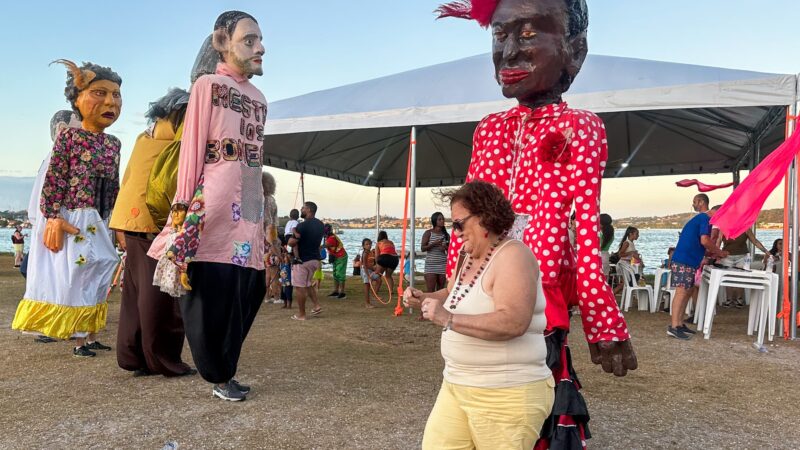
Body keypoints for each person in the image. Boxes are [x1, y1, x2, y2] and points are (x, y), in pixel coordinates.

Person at [437, 0, 636, 445]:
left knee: (527, 416)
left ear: (575, 52)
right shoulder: (488, 129)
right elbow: (465, 223)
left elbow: (586, 232)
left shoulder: (580, 127)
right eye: (499, 35)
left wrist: (604, 322)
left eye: (528, 35)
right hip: (481, 295)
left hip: (542, 304)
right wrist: (453, 289)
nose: (508, 52)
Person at [148, 10, 268, 402]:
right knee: (208, 294)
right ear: (222, 42)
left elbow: (256, 161)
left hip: (247, 211)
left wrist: (259, 214)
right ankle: (217, 374)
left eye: (259, 40)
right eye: (249, 40)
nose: (260, 48)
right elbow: (192, 150)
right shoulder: (208, 87)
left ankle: (226, 369)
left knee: (247, 291)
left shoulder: (259, 98)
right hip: (211, 206)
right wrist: (183, 212)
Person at [403, 181, 554, 449]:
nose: (455, 232)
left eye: (459, 224)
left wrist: (448, 319)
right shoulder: (467, 255)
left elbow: (513, 321)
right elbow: (453, 294)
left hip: (506, 393)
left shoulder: (514, 256)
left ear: (485, 217)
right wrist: (424, 298)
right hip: (457, 384)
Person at [12, 59, 122, 357]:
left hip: (100, 218)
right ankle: (78, 339)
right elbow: (55, 177)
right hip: (73, 215)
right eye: (99, 93)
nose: (110, 101)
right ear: (77, 98)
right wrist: (52, 217)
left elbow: (113, 184)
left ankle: (90, 331)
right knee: (77, 274)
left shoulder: (113, 143)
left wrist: (118, 221)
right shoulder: (69, 138)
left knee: (101, 269)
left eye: (115, 94)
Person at [667, 195, 727, 340]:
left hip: (688, 259)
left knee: (688, 290)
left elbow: (699, 243)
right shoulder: (704, 219)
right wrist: (719, 251)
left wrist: (711, 253)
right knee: (681, 292)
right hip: (684, 260)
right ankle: (674, 326)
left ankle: (679, 323)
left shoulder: (701, 219)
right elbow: (705, 240)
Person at [289, 201, 325, 320]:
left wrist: (290, 237)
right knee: (308, 284)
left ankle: (301, 314)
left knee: (300, 287)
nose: (301, 209)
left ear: (309, 210)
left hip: (302, 260)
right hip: (315, 259)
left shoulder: (302, 226)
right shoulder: (320, 225)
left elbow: (292, 243)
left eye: (303, 208)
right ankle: (316, 305)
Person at [719, 228, 770, 307]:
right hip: (727, 256)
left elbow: (755, 241)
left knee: (741, 277)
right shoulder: (724, 228)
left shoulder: (745, 228)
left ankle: (739, 299)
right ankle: (729, 300)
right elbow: (718, 242)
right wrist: (716, 254)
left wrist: (765, 251)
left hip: (742, 256)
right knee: (727, 278)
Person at [421, 212, 448, 293]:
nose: (442, 221)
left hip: (443, 265)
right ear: (434, 221)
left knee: (440, 291)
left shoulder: (446, 235)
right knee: (431, 291)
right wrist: (433, 244)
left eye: (443, 219)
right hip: (431, 266)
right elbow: (423, 248)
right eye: (439, 219)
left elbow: (450, 250)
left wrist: (444, 248)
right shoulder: (428, 233)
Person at [324, 224, 347, 299]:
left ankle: (342, 292)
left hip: (341, 256)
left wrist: (318, 247)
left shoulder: (331, 238)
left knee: (340, 274)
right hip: (336, 257)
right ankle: (336, 291)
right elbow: (330, 248)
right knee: (335, 274)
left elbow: (326, 245)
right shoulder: (328, 237)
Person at [374, 230, 400, 298]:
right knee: (388, 276)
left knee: (378, 276)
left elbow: (377, 256)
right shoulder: (391, 242)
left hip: (384, 257)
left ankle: (375, 290)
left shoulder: (378, 243)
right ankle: (391, 291)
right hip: (394, 259)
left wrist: (377, 265)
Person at [359, 238, 380, 308]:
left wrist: (375, 270)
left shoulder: (371, 252)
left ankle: (374, 295)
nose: (369, 245)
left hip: (370, 270)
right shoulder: (365, 253)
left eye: (370, 244)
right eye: (367, 244)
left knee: (379, 280)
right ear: (363, 246)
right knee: (367, 285)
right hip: (365, 271)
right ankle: (367, 303)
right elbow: (364, 265)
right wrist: (368, 276)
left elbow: (371, 264)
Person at [599, 213, 614, 278]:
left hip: (599, 258)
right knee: (604, 281)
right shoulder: (611, 234)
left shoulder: (600, 234)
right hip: (606, 257)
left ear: (602, 224)